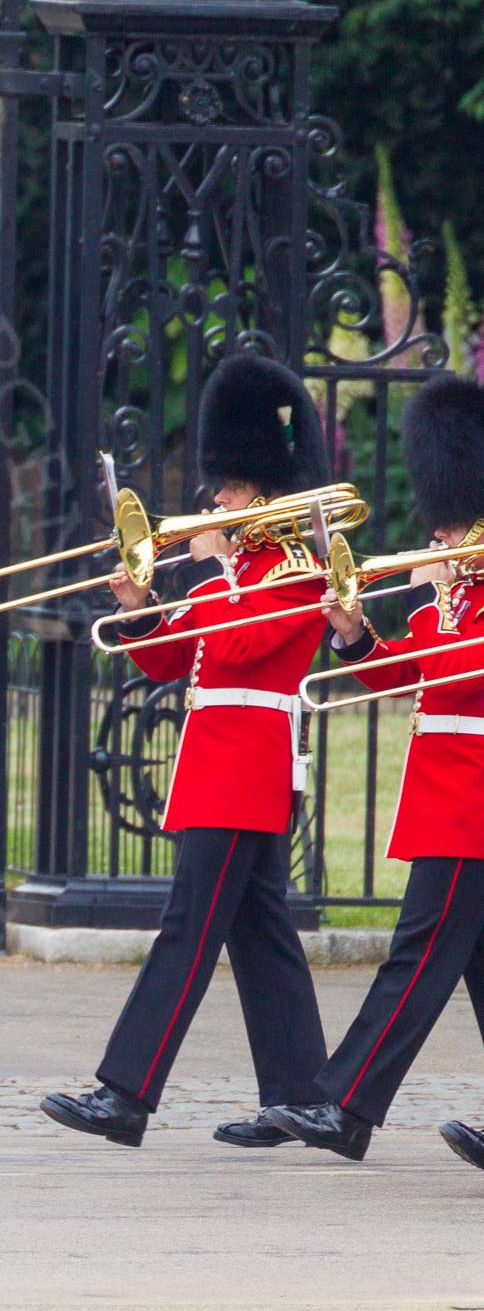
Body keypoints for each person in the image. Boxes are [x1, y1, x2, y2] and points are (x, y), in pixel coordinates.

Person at [42, 353, 333, 1148]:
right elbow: (170, 659)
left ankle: (126, 1093)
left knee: (188, 931)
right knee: (261, 934)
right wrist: (139, 605)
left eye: (229, 492)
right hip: (217, 769)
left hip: (247, 771)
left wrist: (208, 568)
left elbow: (241, 651)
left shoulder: (297, 572)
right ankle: (304, 1096)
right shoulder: (227, 579)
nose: (213, 502)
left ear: (262, 497)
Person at [263, 375, 484, 1163]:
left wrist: (446, 586)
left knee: (415, 960)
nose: (443, 541)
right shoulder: (447, 604)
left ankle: (345, 1107)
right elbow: (401, 675)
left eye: (456, 530)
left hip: (472, 807)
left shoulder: (467, 602)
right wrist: (354, 631)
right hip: (448, 801)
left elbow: (464, 675)